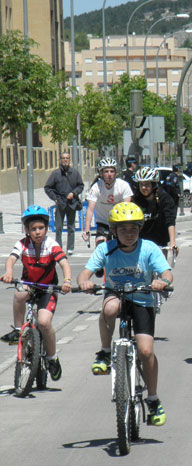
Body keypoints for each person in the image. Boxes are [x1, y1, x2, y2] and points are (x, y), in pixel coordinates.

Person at [77, 202, 173, 426]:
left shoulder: (149, 248)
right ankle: (104, 352)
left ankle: (153, 399)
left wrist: (163, 281)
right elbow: (85, 273)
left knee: (146, 350)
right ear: (113, 230)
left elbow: (167, 272)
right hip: (117, 295)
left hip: (142, 299)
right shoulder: (106, 249)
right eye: (123, 229)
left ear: (140, 229)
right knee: (109, 308)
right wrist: (84, 282)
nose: (129, 234)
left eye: (133, 229)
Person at [0, 206, 72, 382]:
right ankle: (18, 330)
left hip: (48, 288)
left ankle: (52, 358)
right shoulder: (22, 244)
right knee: (18, 295)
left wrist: (68, 280)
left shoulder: (51, 245)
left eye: (41, 228)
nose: (37, 232)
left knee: (44, 322)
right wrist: (9, 272)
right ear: (27, 230)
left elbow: (64, 263)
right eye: (33, 229)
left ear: (46, 229)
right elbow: (11, 259)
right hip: (29, 285)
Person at [83, 157, 133, 253]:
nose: (109, 174)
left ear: (115, 172)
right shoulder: (96, 187)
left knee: (123, 247)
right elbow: (90, 210)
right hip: (103, 222)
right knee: (100, 244)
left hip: (119, 220)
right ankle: (100, 267)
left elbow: (127, 207)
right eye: (106, 171)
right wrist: (87, 229)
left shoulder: (123, 185)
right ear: (101, 173)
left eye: (112, 171)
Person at [44, 151, 84, 255]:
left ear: (69, 160)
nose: (65, 160)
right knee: (59, 227)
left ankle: (70, 248)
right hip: (60, 203)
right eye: (63, 158)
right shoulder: (56, 174)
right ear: (60, 160)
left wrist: (73, 193)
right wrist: (55, 198)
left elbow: (80, 186)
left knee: (71, 227)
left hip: (71, 203)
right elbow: (48, 187)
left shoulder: (75, 173)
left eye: (67, 158)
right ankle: (58, 247)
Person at [131, 167, 177, 254]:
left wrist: (173, 243)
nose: (144, 188)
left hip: (159, 241)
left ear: (154, 184)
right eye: (141, 185)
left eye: (147, 184)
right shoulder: (136, 200)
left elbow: (170, 221)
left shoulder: (164, 198)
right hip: (141, 242)